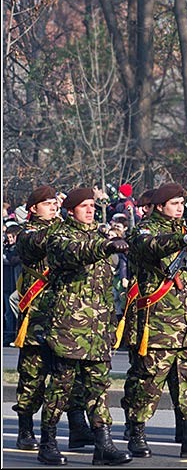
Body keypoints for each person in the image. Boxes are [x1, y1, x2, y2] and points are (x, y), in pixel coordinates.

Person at [125, 183, 187, 459]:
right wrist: (182, 241)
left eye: (182, 203)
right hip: (159, 323)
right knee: (148, 382)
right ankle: (137, 432)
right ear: (159, 206)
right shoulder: (144, 230)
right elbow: (148, 247)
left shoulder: (185, 232)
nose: (180, 207)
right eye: (174, 203)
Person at [38, 187, 132, 466]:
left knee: (98, 387)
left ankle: (103, 444)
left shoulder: (100, 236)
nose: (90, 210)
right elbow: (74, 252)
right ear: (71, 211)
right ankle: (48, 442)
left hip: (98, 327)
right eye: (84, 206)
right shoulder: (60, 236)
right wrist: (104, 246)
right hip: (69, 326)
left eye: (92, 205)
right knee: (61, 387)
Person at [13, 186, 96, 455]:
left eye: (54, 203)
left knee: (70, 376)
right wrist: (67, 219)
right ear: (33, 209)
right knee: (33, 377)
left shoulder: (65, 230)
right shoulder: (28, 234)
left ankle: (77, 426)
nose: (52, 207)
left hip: (66, 314)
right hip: (38, 315)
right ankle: (25, 428)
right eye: (46, 204)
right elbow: (40, 243)